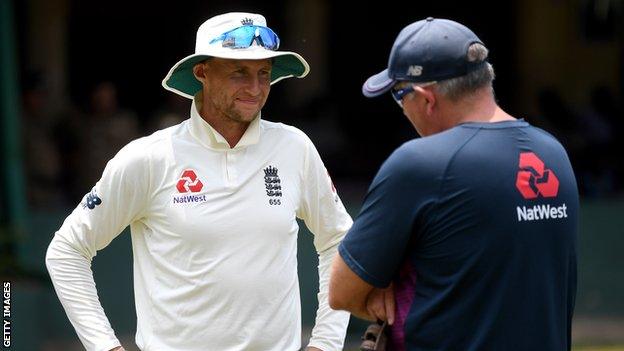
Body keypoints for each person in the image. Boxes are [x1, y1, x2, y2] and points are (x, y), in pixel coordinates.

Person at [46, 12, 351, 351]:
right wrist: (105, 346)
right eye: (239, 71)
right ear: (202, 72)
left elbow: (339, 239)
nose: (255, 88)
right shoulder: (148, 157)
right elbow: (67, 251)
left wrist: (325, 342)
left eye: (263, 73)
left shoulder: (295, 147)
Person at [328, 17, 579, 350]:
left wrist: (383, 283)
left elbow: (342, 291)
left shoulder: (420, 164)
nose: (403, 110)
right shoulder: (553, 153)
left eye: (399, 96)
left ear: (426, 98)